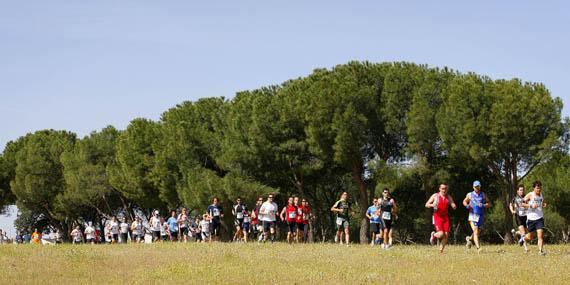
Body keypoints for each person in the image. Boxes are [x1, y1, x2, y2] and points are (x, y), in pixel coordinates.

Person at [425, 183, 457, 253]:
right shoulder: (435, 196)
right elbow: (426, 204)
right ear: (439, 189)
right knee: (441, 234)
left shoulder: (448, 197)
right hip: (437, 216)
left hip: (445, 217)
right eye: (442, 189)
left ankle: (441, 251)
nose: (444, 190)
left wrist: (453, 205)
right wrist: (432, 204)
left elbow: (452, 203)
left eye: (445, 189)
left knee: (446, 235)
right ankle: (433, 235)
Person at [463, 180, 490, 253]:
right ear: (473, 187)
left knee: (477, 232)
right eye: (476, 187)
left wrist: (484, 205)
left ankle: (470, 240)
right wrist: (467, 205)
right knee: (475, 231)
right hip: (473, 215)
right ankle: (478, 248)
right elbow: (464, 201)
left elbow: (488, 203)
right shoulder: (470, 194)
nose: (477, 188)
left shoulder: (483, 194)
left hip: (481, 215)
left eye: (478, 186)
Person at [522, 181, 548, 255]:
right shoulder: (530, 195)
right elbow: (521, 204)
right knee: (530, 237)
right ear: (534, 188)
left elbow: (542, 203)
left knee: (540, 235)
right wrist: (530, 206)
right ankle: (523, 238)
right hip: (531, 219)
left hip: (539, 218)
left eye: (540, 188)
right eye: (537, 188)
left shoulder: (541, 195)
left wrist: (544, 204)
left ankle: (540, 251)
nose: (539, 190)